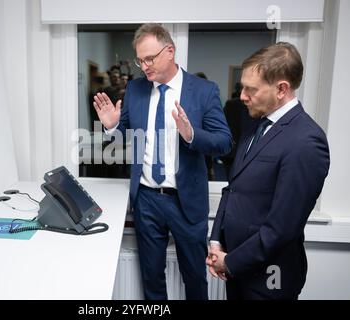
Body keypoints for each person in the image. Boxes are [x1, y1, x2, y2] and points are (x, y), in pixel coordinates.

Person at [93, 23, 232, 300]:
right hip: (147, 200)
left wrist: (192, 135)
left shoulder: (204, 91)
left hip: (187, 202)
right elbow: (128, 132)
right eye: (140, 60)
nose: (144, 66)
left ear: (170, 51)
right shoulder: (135, 90)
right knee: (152, 279)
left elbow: (224, 141)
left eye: (149, 58)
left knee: (194, 279)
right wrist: (112, 127)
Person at [207, 42, 330, 299]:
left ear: (281, 89)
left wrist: (230, 262)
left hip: (269, 280)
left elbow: (281, 229)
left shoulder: (306, 142)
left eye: (251, 89)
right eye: (243, 87)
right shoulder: (254, 124)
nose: (242, 96)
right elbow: (233, 188)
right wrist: (216, 240)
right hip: (237, 269)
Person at [221, 82, 255, 180]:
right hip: (244, 150)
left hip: (231, 150)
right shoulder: (251, 106)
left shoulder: (230, 104)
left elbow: (223, 125)